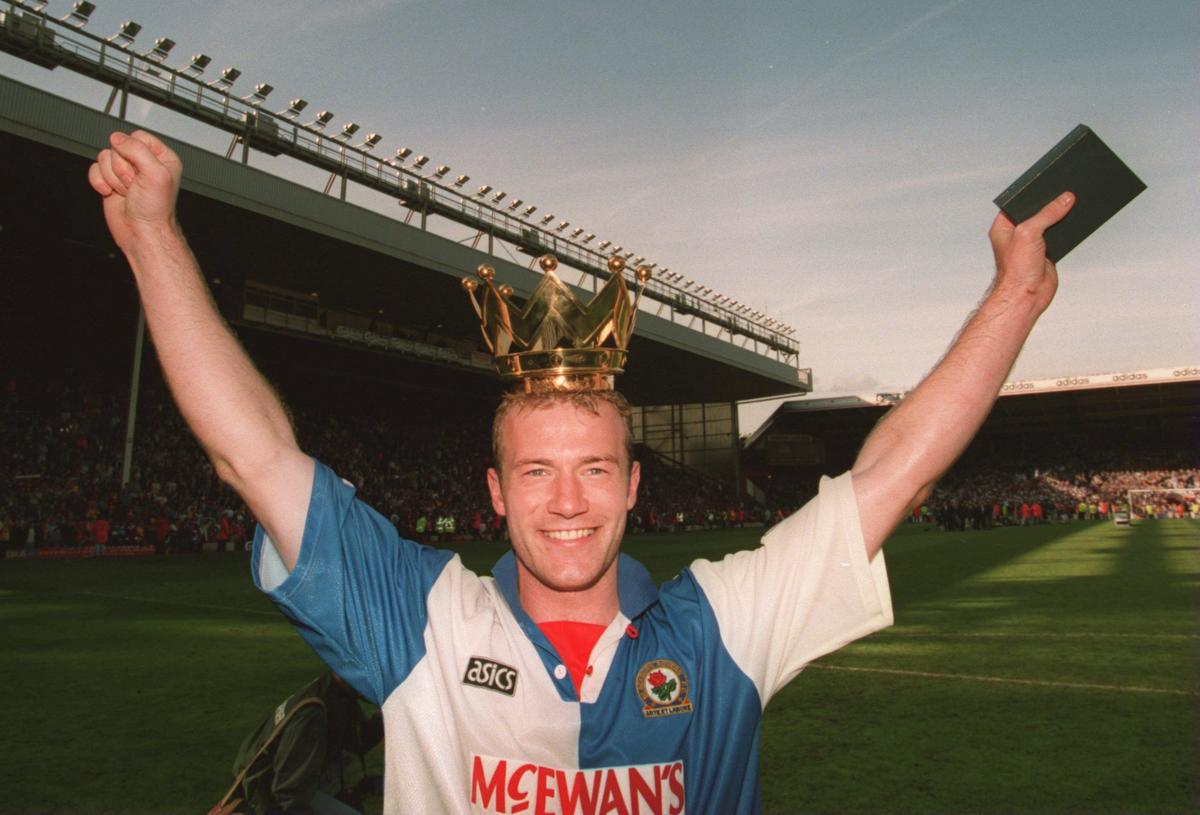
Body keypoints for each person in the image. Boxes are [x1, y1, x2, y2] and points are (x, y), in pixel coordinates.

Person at [90, 129, 1074, 813]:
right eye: (537, 472)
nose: (568, 501)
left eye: (597, 467)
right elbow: (252, 452)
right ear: (494, 491)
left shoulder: (721, 627)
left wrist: (1015, 298)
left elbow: (890, 474)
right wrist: (151, 235)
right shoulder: (423, 620)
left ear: (635, 484)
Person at [209, 671, 383, 815]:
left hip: (272, 795)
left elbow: (356, 740)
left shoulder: (334, 692)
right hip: (264, 804)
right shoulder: (314, 712)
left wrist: (391, 714)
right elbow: (289, 794)